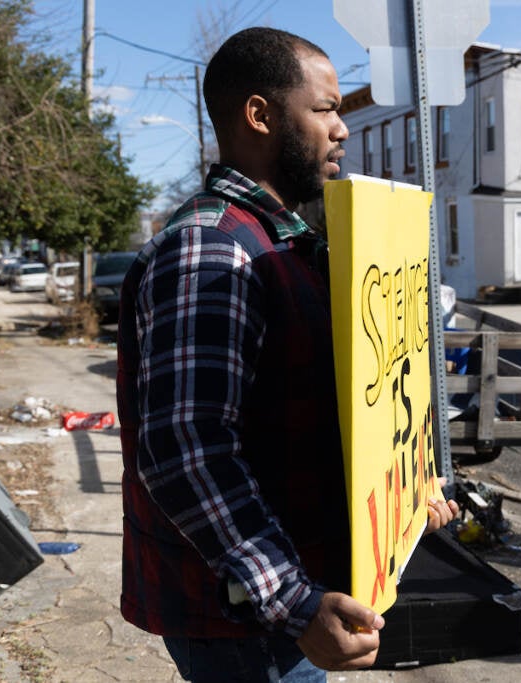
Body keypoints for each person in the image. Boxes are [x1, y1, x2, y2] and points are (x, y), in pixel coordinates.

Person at [115, 27, 459, 681]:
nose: (342, 129)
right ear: (260, 114)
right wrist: (297, 603)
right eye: (325, 108)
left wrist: (411, 497)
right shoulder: (211, 250)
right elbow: (187, 451)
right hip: (247, 623)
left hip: (278, 607)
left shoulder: (285, 245)